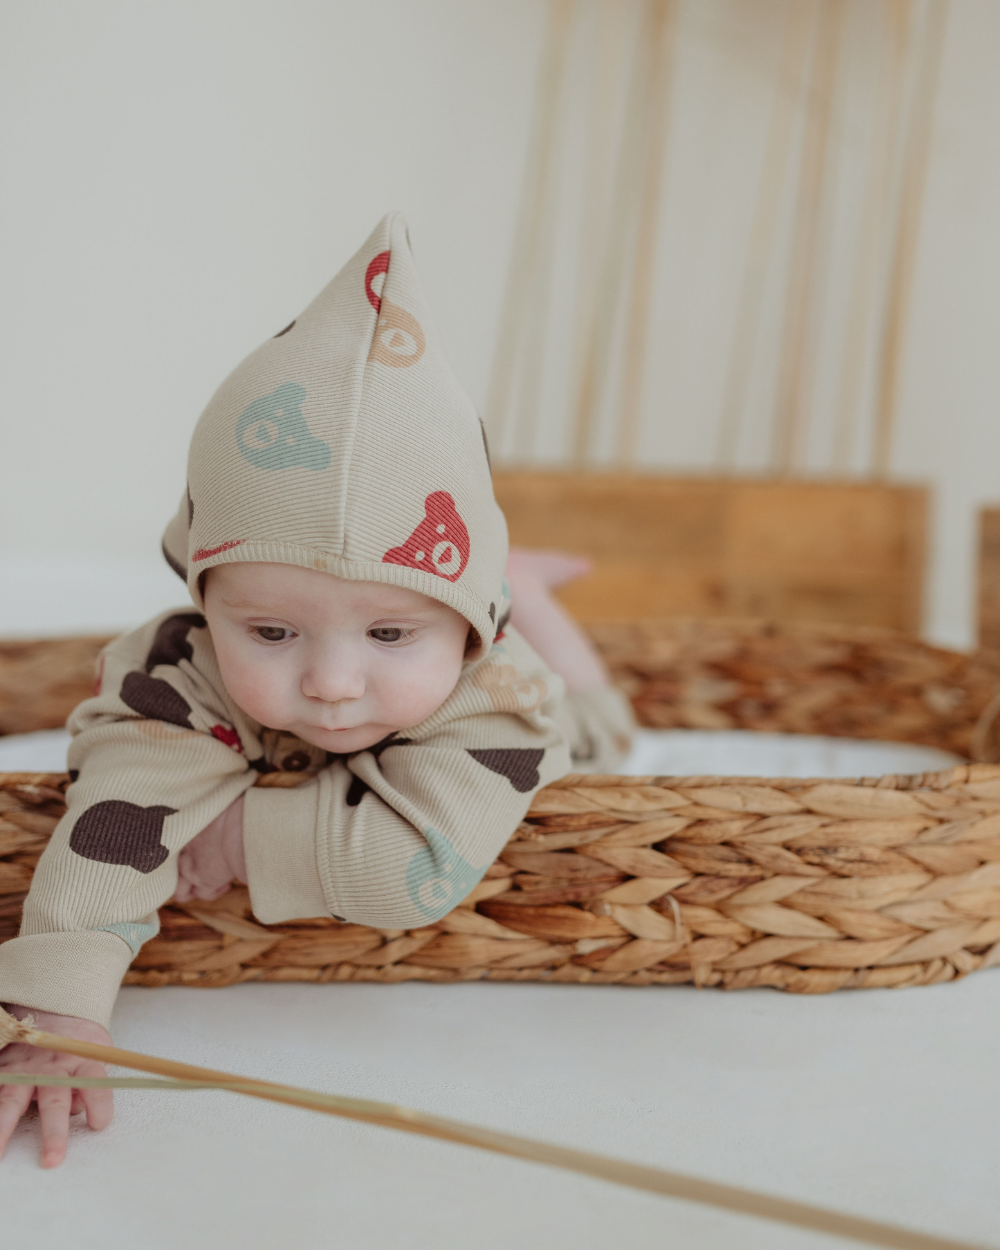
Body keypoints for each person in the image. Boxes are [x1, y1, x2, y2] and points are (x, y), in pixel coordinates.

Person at [0, 214, 634, 1166]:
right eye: (270, 630)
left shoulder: (492, 694)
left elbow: (408, 870)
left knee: (608, 726)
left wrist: (228, 836)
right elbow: (119, 819)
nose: (333, 683)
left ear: (464, 623)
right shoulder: (178, 670)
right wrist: (60, 1006)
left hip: (552, 706)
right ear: (201, 597)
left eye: (390, 633)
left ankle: (528, 591)